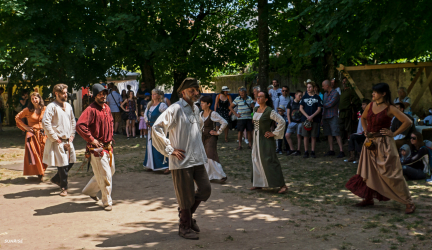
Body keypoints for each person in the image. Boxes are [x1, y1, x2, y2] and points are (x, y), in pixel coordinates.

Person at [152, 78, 211, 240]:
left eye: (196, 90)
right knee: (185, 196)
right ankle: (184, 227)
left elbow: (197, 129)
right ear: (183, 92)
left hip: (197, 158)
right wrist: (170, 149)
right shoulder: (175, 108)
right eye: (192, 91)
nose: (196, 93)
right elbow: (157, 127)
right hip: (181, 160)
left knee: (206, 189)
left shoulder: (195, 108)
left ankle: (185, 215)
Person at [345, 82, 415, 214]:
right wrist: (366, 131)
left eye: (375, 92)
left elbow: (408, 121)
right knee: (368, 171)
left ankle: (409, 202)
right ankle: (368, 198)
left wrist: (393, 133)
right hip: (370, 143)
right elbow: (363, 119)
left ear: (383, 94)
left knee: (391, 174)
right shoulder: (370, 105)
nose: (373, 94)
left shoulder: (390, 108)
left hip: (384, 144)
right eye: (373, 92)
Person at [77, 84, 116, 211]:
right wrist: (92, 140)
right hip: (97, 150)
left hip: (108, 147)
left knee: (110, 172)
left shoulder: (107, 108)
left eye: (104, 93)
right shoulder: (90, 109)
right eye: (100, 93)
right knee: (105, 176)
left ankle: (89, 190)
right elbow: (80, 125)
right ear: (95, 95)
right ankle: (107, 202)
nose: (103, 95)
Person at [42, 84, 76, 197]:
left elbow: (72, 121)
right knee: (62, 165)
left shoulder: (68, 106)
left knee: (71, 161)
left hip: (68, 140)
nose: (66, 95)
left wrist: (72, 134)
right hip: (59, 140)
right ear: (56, 94)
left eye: (66, 92)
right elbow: (45, 123)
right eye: (63, 93)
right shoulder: (51, 106)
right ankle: (64, 187)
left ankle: (57, 179)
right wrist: (55, 137)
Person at [250, 91, 287, 193]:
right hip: (256, 138)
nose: (258, 98)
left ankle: (282, 185)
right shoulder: (255, 109)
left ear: (266, 99)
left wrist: (273, 133)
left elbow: (282, 121)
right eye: (257, 97)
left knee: (269, 160)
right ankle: (258, 183)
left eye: (261, 97)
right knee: (256, 159)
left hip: (265, 139)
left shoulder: (269, 111)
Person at [15, 92, 47, 181]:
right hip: (32, 135)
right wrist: (26, 127)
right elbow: (17, 118)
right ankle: (40, 173)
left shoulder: (45, 109)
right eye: (32, 99)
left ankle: (42, 170)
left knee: (44, 154)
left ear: (40, 99)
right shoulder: (27, 110)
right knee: (35, 154)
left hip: (44, 134)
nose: (34, 100)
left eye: (36, 98)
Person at [201, 96, 228, 182]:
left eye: (203, 103)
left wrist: (218, 132)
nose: (201, 104)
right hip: (202, 137)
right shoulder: (200, 114)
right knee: (205, 156)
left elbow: (224, 122)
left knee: (210, 155)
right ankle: (209, 176)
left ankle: (221, 175)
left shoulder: (213, 114)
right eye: (201, 103)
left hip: (211, 137)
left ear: (208, 104)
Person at [143, 89, 169, 173]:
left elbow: (167, 116)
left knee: (159, 146)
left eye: (154, 94)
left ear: (158, 95)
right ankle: (151, 164)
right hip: (150, 129)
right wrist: (147, 122)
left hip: (158, 129)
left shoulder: (162, 105)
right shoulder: (149, 105)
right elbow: (145, 115)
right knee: (150, 146)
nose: (152, 96)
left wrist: (161, 124)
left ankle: (165, 166)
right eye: (152, 94)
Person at [322, 80, 345, 158]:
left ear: (327, 86)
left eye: (323, 86)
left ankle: (341, 150)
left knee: (336, 133)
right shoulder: (325, 94)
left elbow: (330, 104)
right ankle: (331, 150)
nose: (322, 87)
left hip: (333, 116)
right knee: (329, 134)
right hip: (325, 116)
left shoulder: (335, 93)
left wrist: (321, 104)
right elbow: (325, 106)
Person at [299, 82, 322, 158]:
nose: (308, 89)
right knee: (305, 136)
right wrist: (307, 117)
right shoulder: (304, 97)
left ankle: (312, 151)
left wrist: (312, 116)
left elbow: (319, 109)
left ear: (314, 88)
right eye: (307, 87)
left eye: (310, 87)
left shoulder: (317, 97)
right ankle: (306, 151)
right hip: (305, 120)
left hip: (314, 119)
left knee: (313, 136)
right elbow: (301, 108)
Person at [286, 90, 303, 156]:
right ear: (295, 95)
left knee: (299, 135)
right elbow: (288, 113)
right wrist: (289, 122)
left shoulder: (301, 103)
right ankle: (292, 149)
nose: (300, 97)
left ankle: (298, 150)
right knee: (287, 135)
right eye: (299, 95)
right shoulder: (290, 103)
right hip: (292, 122)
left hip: (299, 122)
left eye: (301, 96)